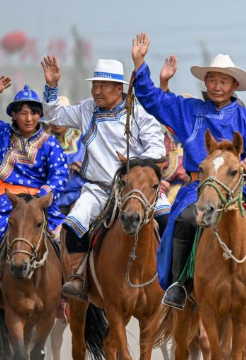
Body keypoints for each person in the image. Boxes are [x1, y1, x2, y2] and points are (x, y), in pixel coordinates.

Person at [131, 33, 246, 311]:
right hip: (199, 187)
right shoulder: (189, 110)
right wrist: (139, 63)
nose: (217, 86)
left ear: (234, 85)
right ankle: (180, 283)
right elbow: (153, 99)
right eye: (212, 80)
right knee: (184, 219)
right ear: (205, 83)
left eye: (223, 81)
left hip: (237, 186)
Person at [41, 56, 169, 302]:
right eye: (94, 85)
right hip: (98, 190)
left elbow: (157, 149)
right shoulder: (86, 109)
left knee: (168, 219)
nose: (96, 91)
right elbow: (54, 117)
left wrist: (132, 165)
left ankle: (174, 278)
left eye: (103, 86)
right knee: (73, 223)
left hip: (137, 188)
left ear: (119, 89)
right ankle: (78, 277)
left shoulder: (140, 111)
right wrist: (52, 86)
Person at [0, 84, 67, 242]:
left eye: (34, 113)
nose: (29, 119)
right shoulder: (3, 134)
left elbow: (59, 175)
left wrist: (40, 199)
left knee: (64, 240)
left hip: (39, 203)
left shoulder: (50, 144)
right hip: (5, 201)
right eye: (23, 113)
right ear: (14, 114)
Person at [49, 96, 86, 215]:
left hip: (81, 194)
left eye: (61, 116)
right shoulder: (44, 141)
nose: (56, 122)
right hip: (52, 196)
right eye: (53, 117)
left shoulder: (84, 138)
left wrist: (84, 169)